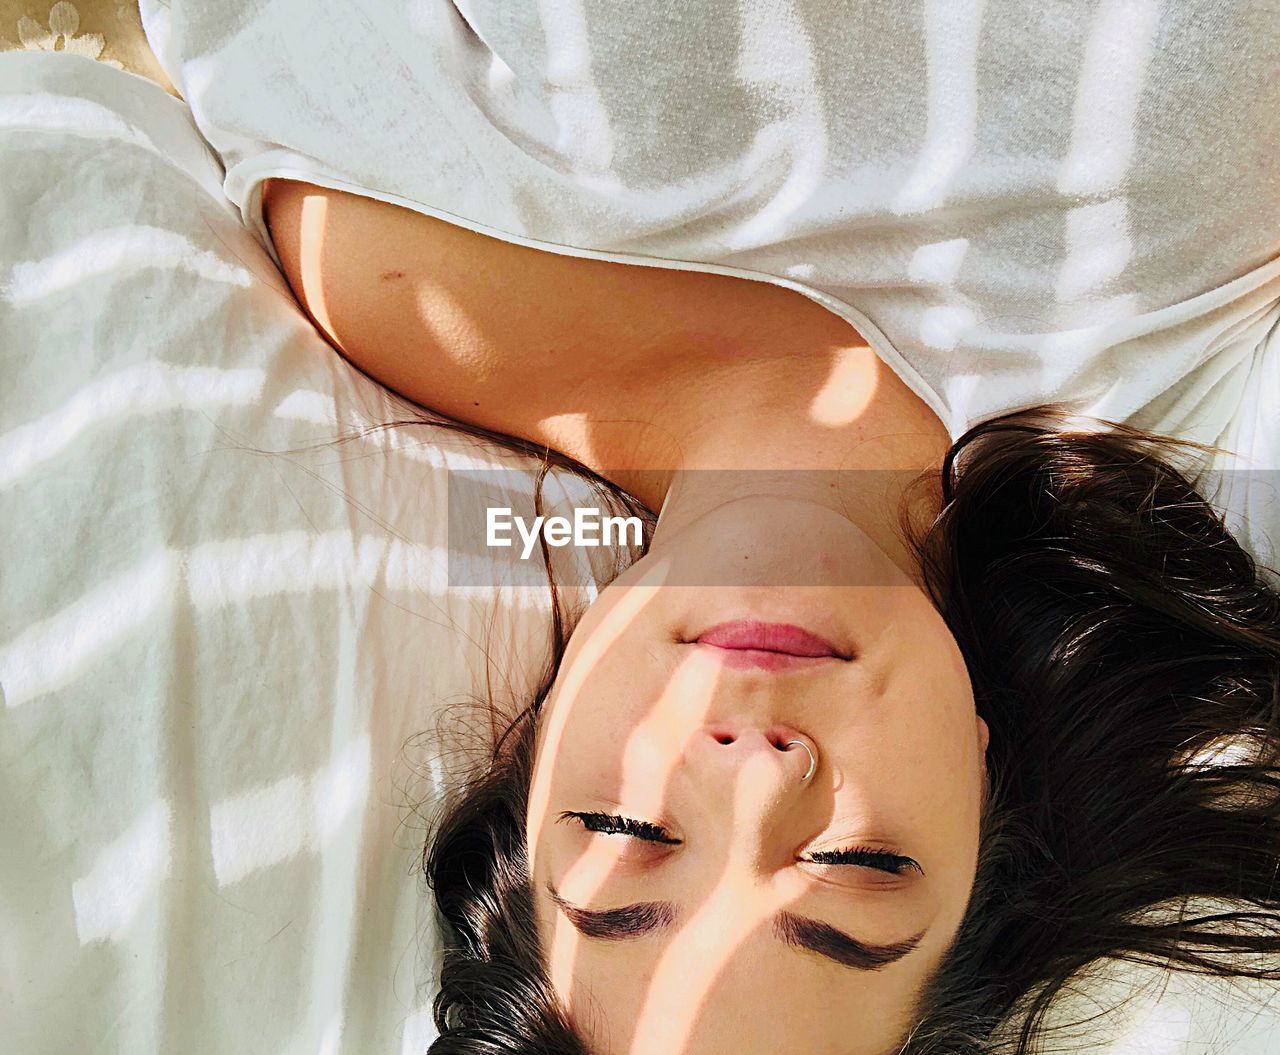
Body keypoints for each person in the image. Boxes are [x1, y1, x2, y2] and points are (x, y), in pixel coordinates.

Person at [262, 177, 1280, 1055]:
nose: (755, 765)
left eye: (629, 828)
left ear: (532, 757)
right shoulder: (1199, 429)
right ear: (981, 782)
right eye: (858, 864)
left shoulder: (388, 267)